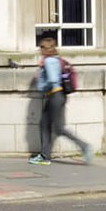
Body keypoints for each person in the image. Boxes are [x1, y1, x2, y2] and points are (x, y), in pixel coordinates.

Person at [29, 31, 91, 165]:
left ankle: (84, 146)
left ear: (45, 49)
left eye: (41, 48)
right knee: (47, 125)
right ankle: (45, 156)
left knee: (56, 127)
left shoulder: (49, 61)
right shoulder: (56, 60)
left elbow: (52, 80)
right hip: (58, 95)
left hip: (54, 95)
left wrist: (40, 80)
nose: (40, 51)